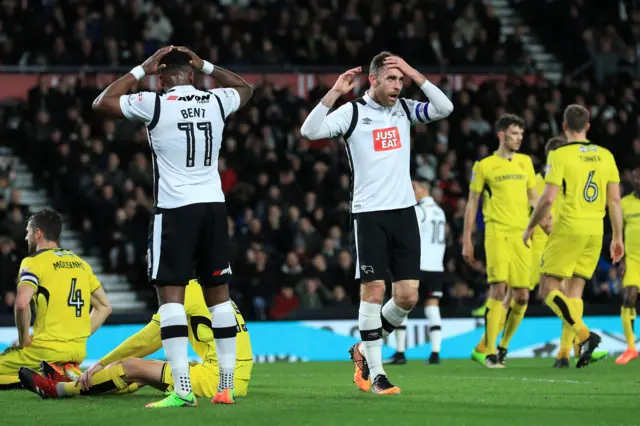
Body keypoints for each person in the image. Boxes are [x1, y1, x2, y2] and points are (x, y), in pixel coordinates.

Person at [92, 46, 253, 407]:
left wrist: (139, 69)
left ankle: (182, 389)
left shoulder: (156, 103)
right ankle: (224, 387)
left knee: (171, 300)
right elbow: (246, 89)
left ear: (161, 79)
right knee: (220, 298)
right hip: (214, 206)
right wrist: (209, 65)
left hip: (176, 210)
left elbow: (102, 102)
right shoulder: (215, 101)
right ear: (193, 76)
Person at [300, 52, 453, 394]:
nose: (398, 86)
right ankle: (378, 373)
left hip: (404, 212)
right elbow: (309, 131)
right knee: (374, 290)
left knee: (408, 296)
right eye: (392, 79)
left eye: (401, 80)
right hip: (369, 214)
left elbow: (445, 109)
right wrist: (335, 92)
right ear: (373, 79)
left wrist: (415, 70)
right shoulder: (353, 112)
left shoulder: (405, 110)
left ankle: (362, 350)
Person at [18, 280, 253, 399]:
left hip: (217, 380)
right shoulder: (208, 291)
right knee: (141, 375)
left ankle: (58, 389)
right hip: (233, 378)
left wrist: (102, 362)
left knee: (131, 366)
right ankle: (81, 380)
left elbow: (148, 339)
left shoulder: (188, 291)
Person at [524, 104, 624, 368]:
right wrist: (617, 237)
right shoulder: (606, 155)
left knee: (548, 289)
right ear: (588, 127)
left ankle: (584, 335)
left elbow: (548, 199)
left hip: (569, 227)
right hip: (596, 230)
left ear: (564, 127)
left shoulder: (560, 155)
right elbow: (614, 201)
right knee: (575, 293)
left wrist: (530, 226)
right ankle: (565, 353)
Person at [0, 208, 111, 389]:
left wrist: (23, 341)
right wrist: (76, 336)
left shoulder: (33, 262)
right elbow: (105, 307)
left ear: (38, 234)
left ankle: (49, 373)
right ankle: (63, 369)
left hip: (44, 351)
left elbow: (21, 304)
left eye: (28, 232)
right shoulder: (80, 263)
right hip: (77, 351)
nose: (26, 238)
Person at [463, 114, 540, 368]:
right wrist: (467, 239)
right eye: (514, 134)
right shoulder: (484, 166)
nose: (519, 138)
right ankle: (490, 352)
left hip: (522, 234)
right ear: (501, 135)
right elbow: (472, 202)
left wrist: (544, 219)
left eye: (521, 134)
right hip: (497, 233)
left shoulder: (525, 163)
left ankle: (503, 346)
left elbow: (533, 197)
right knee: (497, 289)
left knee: (522, 297)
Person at [385, 177, 446, 365]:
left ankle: (400, 352)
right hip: (436, 266)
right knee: (432, 307)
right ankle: (435, 354)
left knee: (402, 305)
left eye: (415, 188)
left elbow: (406, 235)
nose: (412, 191)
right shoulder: (440, 212)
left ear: (423, 190)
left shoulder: (419, 211)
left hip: (418, 265)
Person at [616, 167, 640, 364]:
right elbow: (619, 235)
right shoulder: (624, 204)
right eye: (636, 176)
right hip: (633, 260)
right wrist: (622, 260)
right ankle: (631, 347)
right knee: (629, 296)